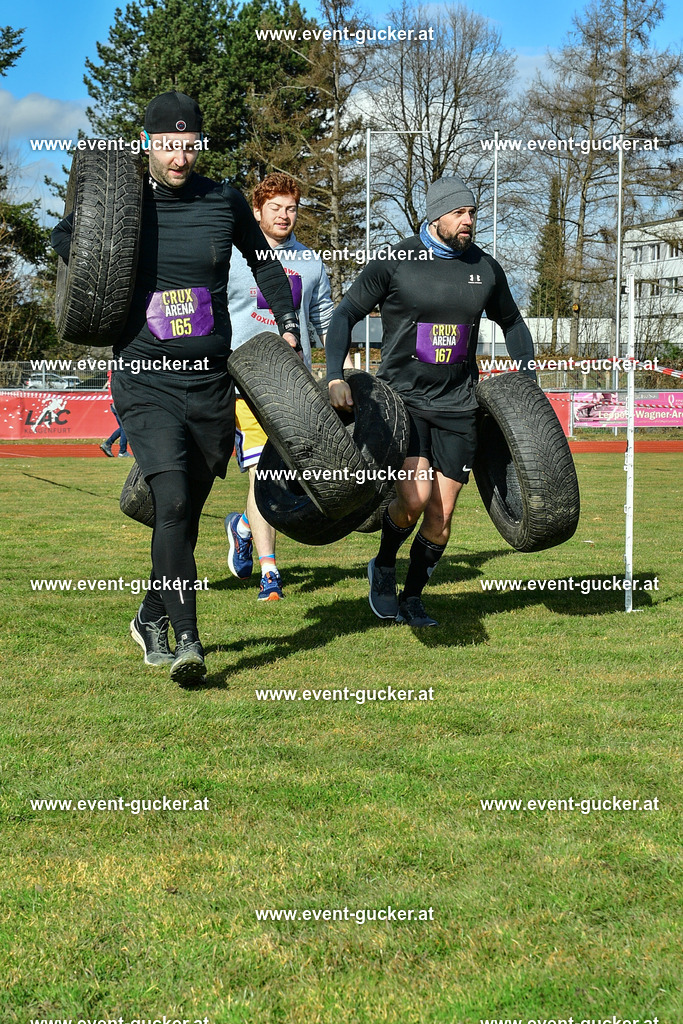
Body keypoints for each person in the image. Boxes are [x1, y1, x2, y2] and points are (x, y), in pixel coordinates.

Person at [51, 91, 299, 682]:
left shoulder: (224, 199)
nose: (178, 156)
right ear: (147, 144)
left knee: (185, 513)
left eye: (188, 145)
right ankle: (187, 639)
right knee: (174, 501)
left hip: (210, 382)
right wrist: (99, 270)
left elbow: (264, 262)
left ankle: (151, 614)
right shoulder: (126, 202)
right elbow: (68, 242)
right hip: (144, 378)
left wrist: (288, 322)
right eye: (167, 145)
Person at [325, 174, 536, 627]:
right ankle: (383, 565)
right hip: (403, 403)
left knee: (442, 515)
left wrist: (528, 377)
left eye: (473, 213)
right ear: (435, 214)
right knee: (414, 499)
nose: (468, 221)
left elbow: (514, 324)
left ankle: (414, 596)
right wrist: (333, 375)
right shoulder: (397, 261)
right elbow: (344, 313)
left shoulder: (485, 268)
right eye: (459, 213)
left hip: (460, 406)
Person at [223, 172, 351, 600]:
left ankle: (241, 527)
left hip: (296, 387)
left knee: (292, 477)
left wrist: (342, 370)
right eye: (275, 207)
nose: (284, 215)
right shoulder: (231, 258)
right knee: (266, 469)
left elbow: (328, 321)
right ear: (256, 211)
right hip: (244, 384)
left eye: (291, 208)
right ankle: (270, 572)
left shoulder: (310, 263)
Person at [101, 371, 131, 457]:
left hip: (113, 403)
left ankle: (108, 444)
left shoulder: (112, 375)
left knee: (123, 427)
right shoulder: (118, 375)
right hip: (118, 403)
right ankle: (122, 451)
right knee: (125, 427)